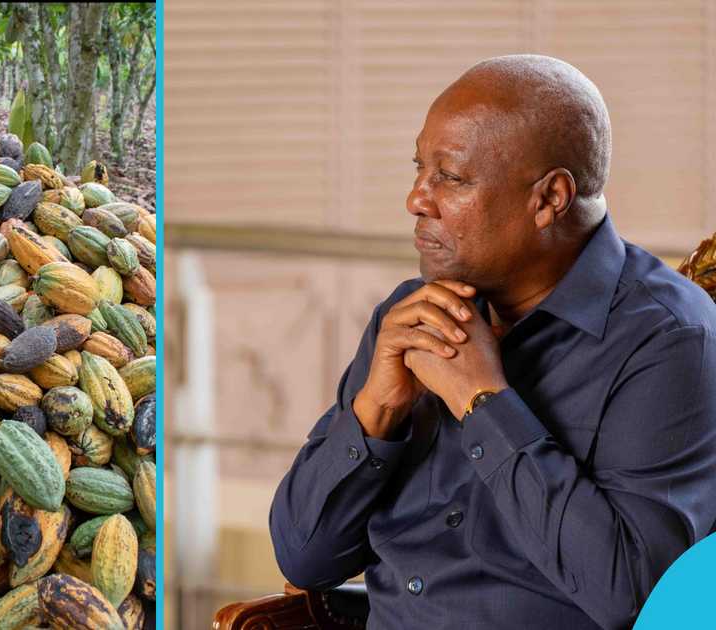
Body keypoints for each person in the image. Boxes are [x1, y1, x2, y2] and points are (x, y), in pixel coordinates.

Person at [268, 54, 716, 630]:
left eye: (449, 178)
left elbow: (635, 600)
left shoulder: (672, 342)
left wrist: (483, 402)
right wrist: (377, 411)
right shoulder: (411, 317)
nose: (416, 199)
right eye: (419, 169)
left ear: (550, 198)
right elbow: (305, 557)